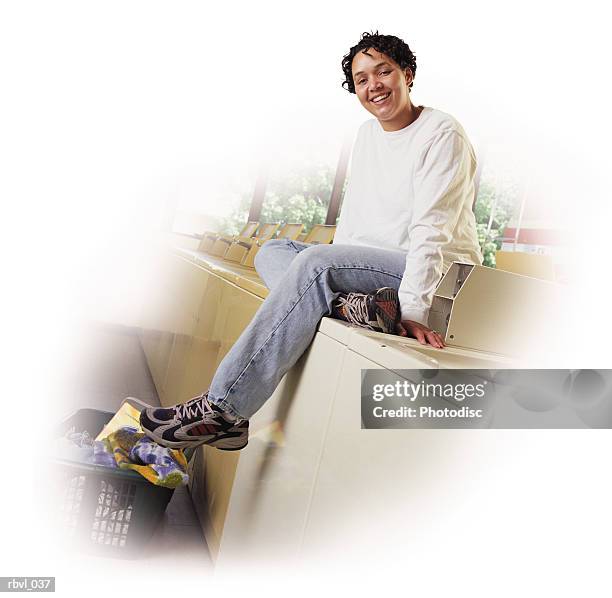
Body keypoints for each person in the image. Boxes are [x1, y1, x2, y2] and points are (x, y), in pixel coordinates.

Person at [140, 31, 483, 451]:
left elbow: (433, 230)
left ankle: (225, 410)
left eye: (383, 71)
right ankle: (351, 307)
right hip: (375, 267)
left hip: (432, 270)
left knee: (315, 265)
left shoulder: (443, 133)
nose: (373, 85)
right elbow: (355, 220)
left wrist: (411, 311)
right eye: (361, 79)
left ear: (407, 74)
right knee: (274, 251)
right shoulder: (368, 134)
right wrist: (334, 274)